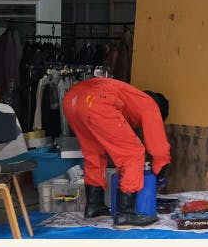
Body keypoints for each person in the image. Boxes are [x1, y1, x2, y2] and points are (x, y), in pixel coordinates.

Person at [62, 77, 172, 227]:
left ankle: (94, 207)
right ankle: (126, 214)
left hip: (72, 100)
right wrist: (160, 174)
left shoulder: (131, 97)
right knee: (133, 153)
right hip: (95, 100)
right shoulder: (150, 105)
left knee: (93, 152)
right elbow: (159, 148)